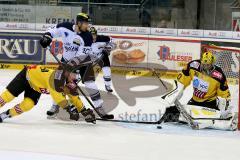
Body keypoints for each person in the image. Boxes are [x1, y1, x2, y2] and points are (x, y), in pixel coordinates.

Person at [39, 13, 114, 119]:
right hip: (66, 61)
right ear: (78, 23)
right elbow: (52, 31)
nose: (87, 26)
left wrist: (71, 72)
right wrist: (46, 37)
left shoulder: (87, 36)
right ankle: (56, 105)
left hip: (83, 62)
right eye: (85, 23)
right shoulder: (65, 26)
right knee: (57, 81)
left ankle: (100, 108)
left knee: (90, 83)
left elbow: (80, 57)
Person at [161, 51, 238, 130]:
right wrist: (178, 91)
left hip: (210, 104)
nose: (205, 67)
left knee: (209, 121)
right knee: (171, 112)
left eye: (207, 65)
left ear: (212, 63)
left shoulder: (219, 75)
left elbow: (225, 94)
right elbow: (182, 79)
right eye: (203, 64)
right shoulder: (193, 66)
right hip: (194, 101)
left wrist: (225, 110)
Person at [0, 65, 96, 123]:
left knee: (28, 105)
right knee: (8, 96)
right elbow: (58, 98)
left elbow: (74, 97)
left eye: (77, 76)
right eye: (74, 75)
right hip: (26, 76)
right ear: (68, 73)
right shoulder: (57, 79)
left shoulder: (69, 82)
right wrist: (69, 109)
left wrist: (83, 110)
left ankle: (5, 115)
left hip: (35, 87)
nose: (76, 79)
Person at [89, 26, 116, 92]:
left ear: (96, 34)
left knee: (107, 71)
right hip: (92, 59)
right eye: (91, 35)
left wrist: (108, 49)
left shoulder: (103, 38)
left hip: (103, 57)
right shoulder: (85, 40)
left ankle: (108, 85)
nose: (93, 36)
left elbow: (113, 42)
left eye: (94, 35)